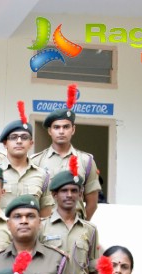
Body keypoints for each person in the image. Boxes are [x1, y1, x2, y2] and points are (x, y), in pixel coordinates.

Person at [30, 84, 101, 220]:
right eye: (56, 127)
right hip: (45, 229)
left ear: (73, 130)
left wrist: (80, 226)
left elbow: (92, 203)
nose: (61, 131)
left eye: (66, 127)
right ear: (50, 131)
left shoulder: (86, 161)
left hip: (75, 225)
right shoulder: (36, 160)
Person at [41, 157, 99, 274]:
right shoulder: (41, 227)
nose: (69, 195)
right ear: (54, 195)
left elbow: (93, 270)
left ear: (80, 194)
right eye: (64, 191)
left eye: (74, 191)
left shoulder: (90, 230)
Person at [0, 103, 53, 215]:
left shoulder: (43, 176)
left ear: (31, 143)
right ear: (5, 144)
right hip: (1, 231)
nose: (19, 141)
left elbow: (45, 214)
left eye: (24, 137)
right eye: (13, 137)